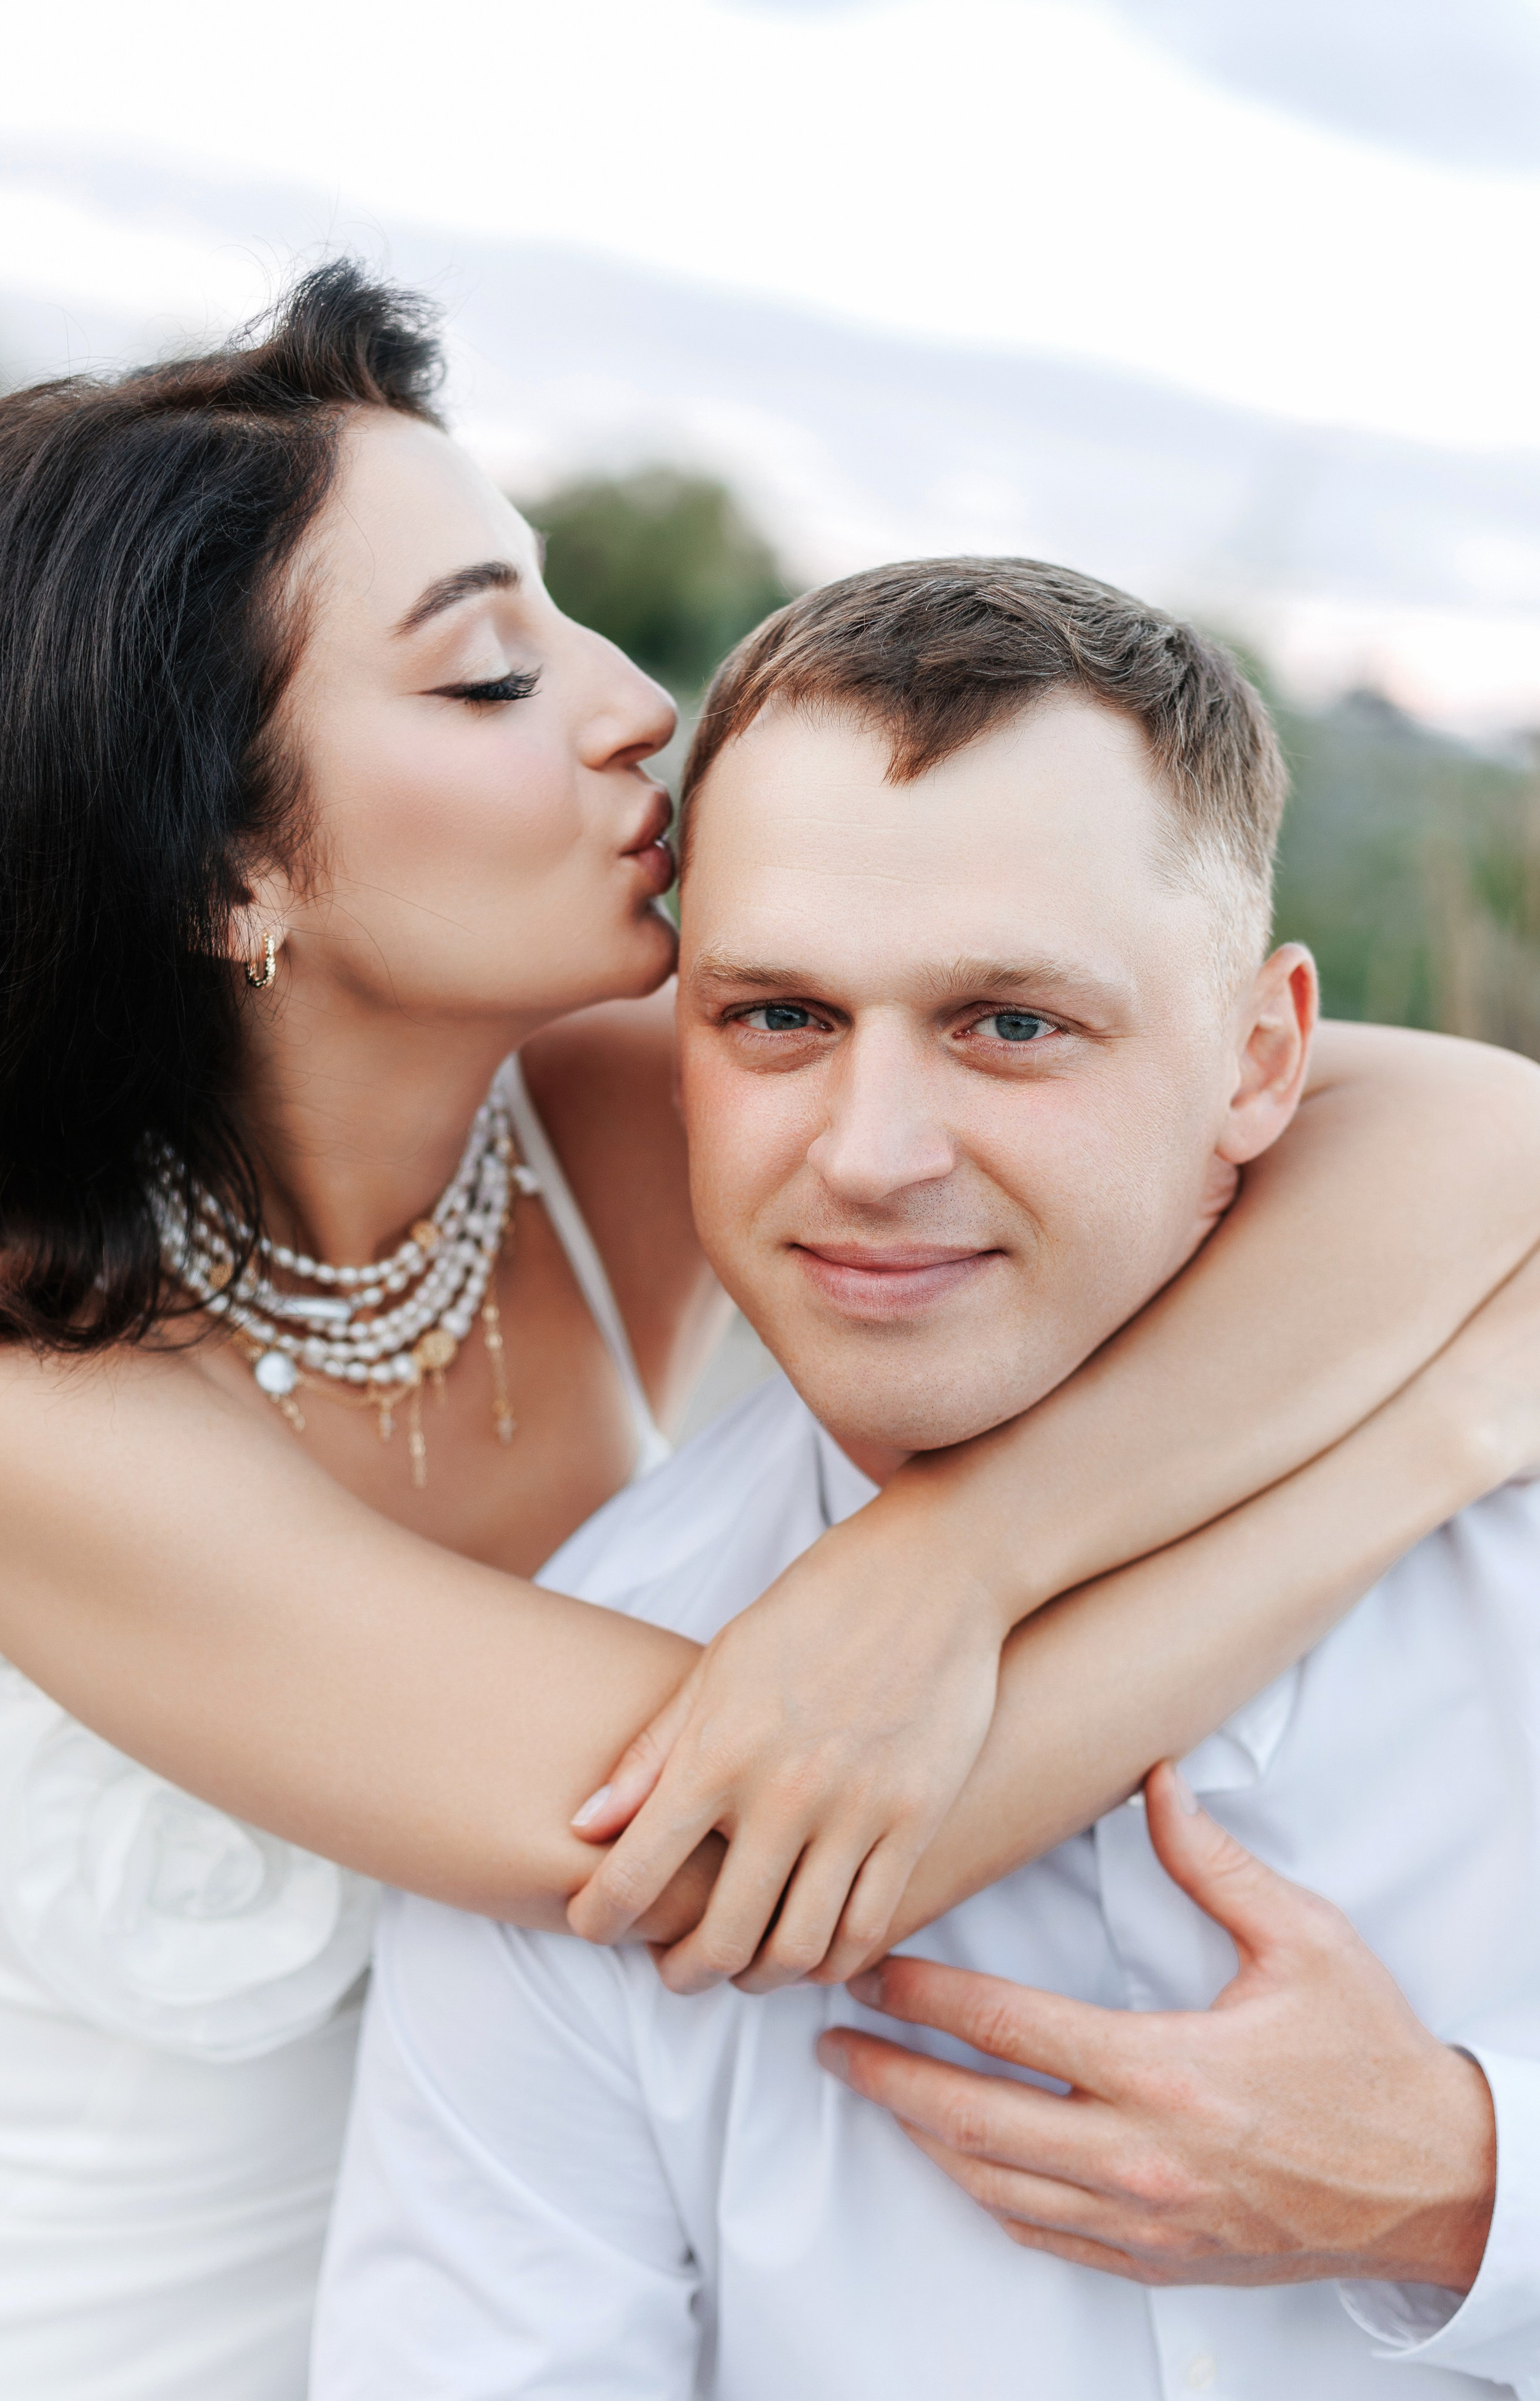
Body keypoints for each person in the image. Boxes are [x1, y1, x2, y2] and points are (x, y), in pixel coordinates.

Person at [0, 268, 1536, 2398]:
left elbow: (1472, 1130)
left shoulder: (599, 1107)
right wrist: (1414, 1459)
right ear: (231, 869)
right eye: (493, 677)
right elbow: (741, 1844)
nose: (628, 705)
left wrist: (959, 1556)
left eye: (568, 611)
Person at [314, 558, 1540, 2400]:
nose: (873, 1156)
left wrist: (1466, 2191)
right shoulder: (580, 1757)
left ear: (1265, 1057)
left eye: (1012, 1025)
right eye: (781, 1019)